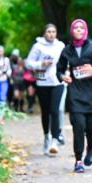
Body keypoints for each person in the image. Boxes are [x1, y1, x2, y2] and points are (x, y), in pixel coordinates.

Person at [56, 19, 92, 173]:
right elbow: (58, 70)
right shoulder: (66, 50)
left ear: (85, 30)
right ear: (72, 31)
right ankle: (78, 160)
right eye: (76, 28)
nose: (78, 30)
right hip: (75, 94)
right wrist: (62, 76)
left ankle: (90, 147)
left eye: (81, 27)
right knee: (78, 127)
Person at [26, 24, 66, 155]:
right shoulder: (38, 46)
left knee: (55, 110)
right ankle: (46, 137)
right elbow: (28, 63)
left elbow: (67, 61)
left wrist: (67, 73)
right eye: (49, 32)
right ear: (44, 33)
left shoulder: (61, 46)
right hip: (43, 82)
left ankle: (54, 140)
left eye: (54, 32)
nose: (51, 34)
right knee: (45, 112)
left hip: (57, 82)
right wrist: (40, 64)